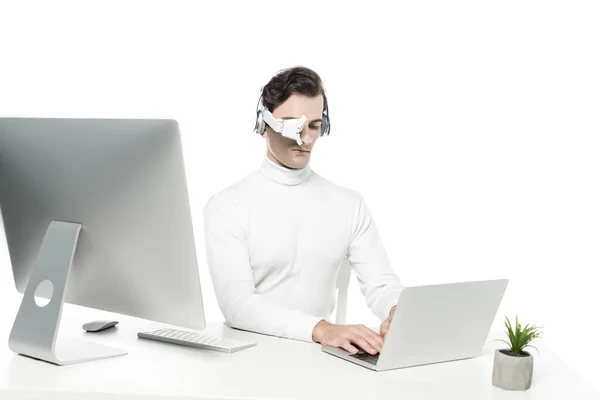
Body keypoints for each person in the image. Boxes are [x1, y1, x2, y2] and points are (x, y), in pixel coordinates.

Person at [202, 66, 404, 356]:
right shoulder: (227, 206)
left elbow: (381, 283)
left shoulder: (348, 204)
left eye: (313, 125)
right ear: (264, 124)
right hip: (249, 361)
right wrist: (322, 329)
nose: (305, 140)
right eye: (292, 125)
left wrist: (396, 309)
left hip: (320, 361)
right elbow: (237, 304)